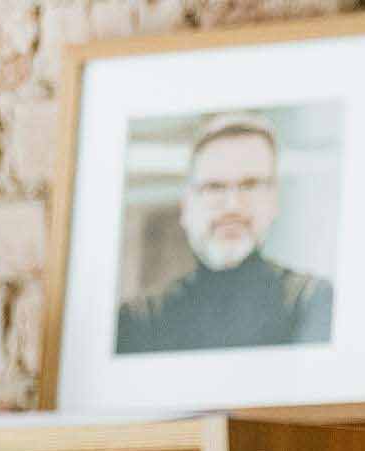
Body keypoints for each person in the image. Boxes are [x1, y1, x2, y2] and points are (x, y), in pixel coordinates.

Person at [113, 113, 336, 355]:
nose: (233, 206)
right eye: (214, 187)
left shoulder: (313, 303)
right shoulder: (139, 321)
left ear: (274, 200)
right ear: (186, 207)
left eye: (250, 185)